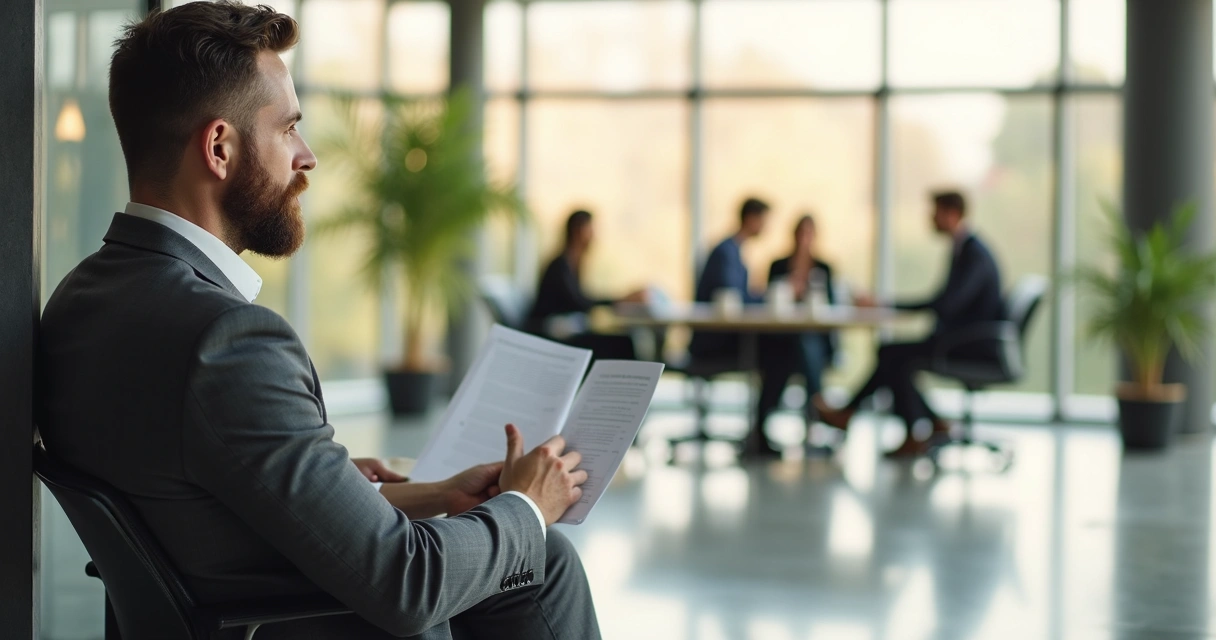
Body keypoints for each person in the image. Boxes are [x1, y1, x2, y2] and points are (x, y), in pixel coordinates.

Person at [36, 4, 599, 639]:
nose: (307, 157)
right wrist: (529, 505)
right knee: (542, 558)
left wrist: (438, 494)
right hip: (293, 619)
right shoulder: (228, 342)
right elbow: (405, 586)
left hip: (219, 595)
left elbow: (207, 498)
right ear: (219, 148)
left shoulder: (82, 299)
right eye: (289, 129)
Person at [814, 191, 1005, 458]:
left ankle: (862, 417)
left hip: (967, 343)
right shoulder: (964, 249)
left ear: (952, 213)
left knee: (892, 354)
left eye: (935, 212)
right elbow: (944, 303)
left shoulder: (973, 254)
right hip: (962, 338)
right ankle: (926, 423)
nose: (930, 219)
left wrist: (886, 305)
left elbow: (944, 305)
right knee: (893, 356)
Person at [749, 214, 838, 457]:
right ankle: (819, 409)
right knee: (784, 355)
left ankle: (764, 425)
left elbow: (830, 307)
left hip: (814, 341)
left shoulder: (824, 269)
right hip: (782, 340)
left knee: (803, 345)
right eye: (801, 233)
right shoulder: (778, 266)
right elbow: (769, 302)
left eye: (809, 234)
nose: (804, 239)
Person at [525, 210, 646, 361]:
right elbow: (579, 302)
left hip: (566, 328)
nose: (594, 236)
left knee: (625, 338)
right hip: (551, 333)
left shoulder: (573, 263)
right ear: (578, 230)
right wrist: (620, 300)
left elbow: (582, 300)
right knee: (623, 342)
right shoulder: (560, 265)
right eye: (591, 229)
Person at [688, 197, 771, 361]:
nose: (766, 227)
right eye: (763, 220)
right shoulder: (726, 253)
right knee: (776, 348)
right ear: (750, 218)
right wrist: (766, 298)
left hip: (726, 333)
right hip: (714, 338)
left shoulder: (735, 251)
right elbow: (733, 298)